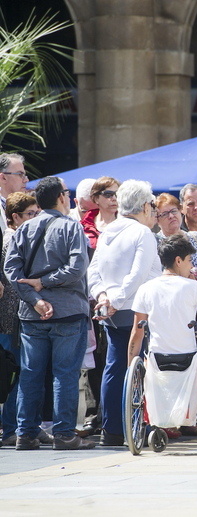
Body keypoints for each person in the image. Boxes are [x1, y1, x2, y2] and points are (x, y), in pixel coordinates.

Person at [4, 177, 94, 450]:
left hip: (32, 314)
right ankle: (65, 433)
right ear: (61, 197)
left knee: (31, 373)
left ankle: (25, 433)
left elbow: (12, 272)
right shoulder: (70, 227)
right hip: (67, 312)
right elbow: (77, 267)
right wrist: (45, 285)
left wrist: (35, 299)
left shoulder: (25, 228)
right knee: (65, 374)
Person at [88, 180, 161, 446]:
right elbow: (138, 274)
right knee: (139, 366)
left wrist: (104, 296)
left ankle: (113, 429)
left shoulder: (109, 231)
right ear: (143, 205)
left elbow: (93, 271)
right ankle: (141, 424)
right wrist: (114, 299)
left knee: (114, 366)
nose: (153, 210)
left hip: (113, 308)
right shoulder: (142, 233)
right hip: (136, 309)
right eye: (152, 205)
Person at [128, 234, 197, 428]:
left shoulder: (145, 289)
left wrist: (130, 368)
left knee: (148, 357)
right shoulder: (192, 287)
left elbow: (137, 333)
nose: (191, 267)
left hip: (156, 359)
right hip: (189, 358)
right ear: (178, 260)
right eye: (190, 261)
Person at [0, 193, 42, 447]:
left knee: (25, 371)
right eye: (30, 214)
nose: (35, 219)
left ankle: (27, 426)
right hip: (13, 318)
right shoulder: (13, 238)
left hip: (20, 315)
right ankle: (12, 428)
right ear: (15, 217)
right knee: (19, 373)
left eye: (37, 213)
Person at [155, 193, 197, 271]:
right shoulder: (156, 243)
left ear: (180, 211)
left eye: (173, 211)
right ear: (157, 220)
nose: (171, 216)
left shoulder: (195, 237)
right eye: (165, 214)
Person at [80, 176, 120, 251]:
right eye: (108, 194)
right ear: (96, 198)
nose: (114, 198)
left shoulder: (127, 223)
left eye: (117, 194)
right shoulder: (82, 227)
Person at [0, 153, 29, 234]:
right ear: (3, 178)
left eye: (25, 175)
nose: (26, 180)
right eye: (20, 174)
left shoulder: (31, 208)